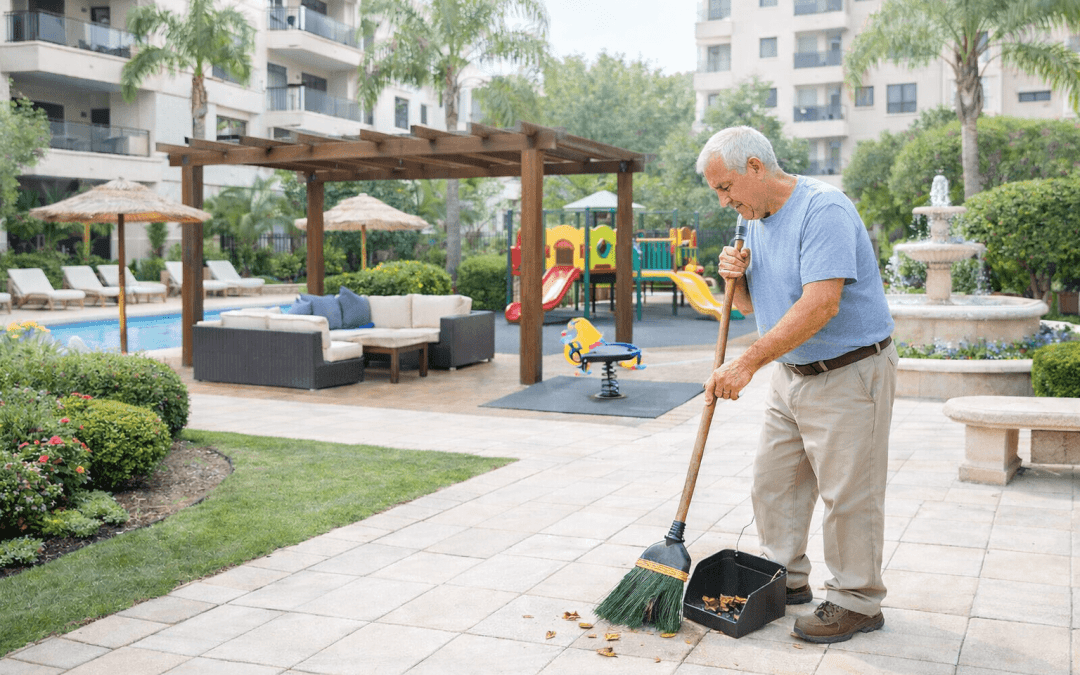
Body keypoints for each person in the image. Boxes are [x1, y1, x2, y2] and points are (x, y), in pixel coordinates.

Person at [698, 126, 897, 644]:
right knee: (774, 482)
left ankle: (857, 602)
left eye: (725, 187)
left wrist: (746, 365)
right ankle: (784, 579)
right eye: (717, 192)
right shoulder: (754, 220)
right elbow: (756, 309)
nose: (724, 201)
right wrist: (734, 281)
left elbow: (820, 305)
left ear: (756, 169)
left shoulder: (822, 209)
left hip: (849, 372)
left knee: (848, 494)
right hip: (793, 373)